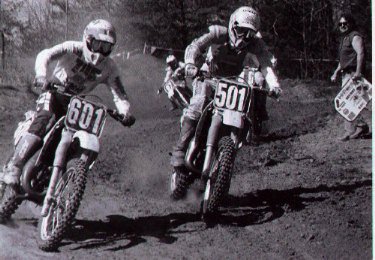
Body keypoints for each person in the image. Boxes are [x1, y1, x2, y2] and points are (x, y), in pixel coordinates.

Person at [1, 19, 135, 185]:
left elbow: (119, 93)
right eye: (98, 44)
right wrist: (42, 75)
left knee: (75, 136)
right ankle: (14, 166)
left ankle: (57, 173)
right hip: (54, 92)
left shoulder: (110, 67)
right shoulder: (72, 47)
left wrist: (125, 112)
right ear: (88, 39)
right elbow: (46, 54)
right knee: (45, 119)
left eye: (106, 47)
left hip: (76, 103)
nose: (101, 51)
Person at [170, 6, 282, 171]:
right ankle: (180, 149)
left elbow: (265, 64)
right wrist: (190, 64)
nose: (244, 37)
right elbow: (195, 46)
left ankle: (227, 152)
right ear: (233, 25)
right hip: (207, 77)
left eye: (250, 33)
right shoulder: (217, 33)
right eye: (241, 30)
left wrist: (274, 85)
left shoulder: (256, 44)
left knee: (245, 109)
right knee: (198, 103)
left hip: (233, 83)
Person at [330, 13, 369, 141]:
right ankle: (351, 130)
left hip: (354, 74)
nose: (342, 26)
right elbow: (343, 60)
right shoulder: (345, 38)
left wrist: (358, 72)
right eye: (340, 24)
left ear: (350, 23)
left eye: (345, 23)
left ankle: (360, 127)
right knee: (345, 103)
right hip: (345, 74)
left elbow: (360, 53)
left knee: (360, 101)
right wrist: (336, 72)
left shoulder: (355, 37)